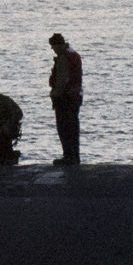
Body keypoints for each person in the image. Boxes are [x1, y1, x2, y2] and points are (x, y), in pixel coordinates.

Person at [48, 33, 84, 166]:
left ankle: (68, 156)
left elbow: (61, 81)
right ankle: (74, 156)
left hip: (65, 98)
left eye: (53, 47)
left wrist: (55, 95)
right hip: (75, 96)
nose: (53, 50)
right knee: (73, 128)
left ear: (59, 45)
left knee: (64, 128)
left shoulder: (64, 58)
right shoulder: (74, 54)